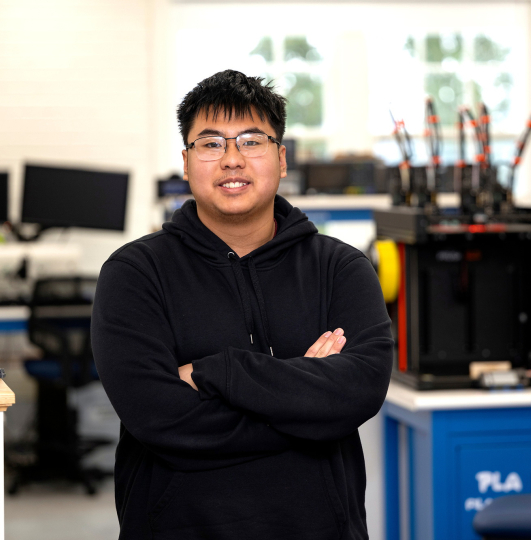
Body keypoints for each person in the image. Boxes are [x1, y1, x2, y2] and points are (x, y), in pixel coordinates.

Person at [91, 70, 393, 540]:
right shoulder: (134, 274)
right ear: (187, 163)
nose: (232, 160)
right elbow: (160, 418)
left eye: (252, 140)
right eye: (211, 144)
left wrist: (219, 373)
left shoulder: (341, 269)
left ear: (281, 158)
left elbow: (361, 391)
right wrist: (307, 405)